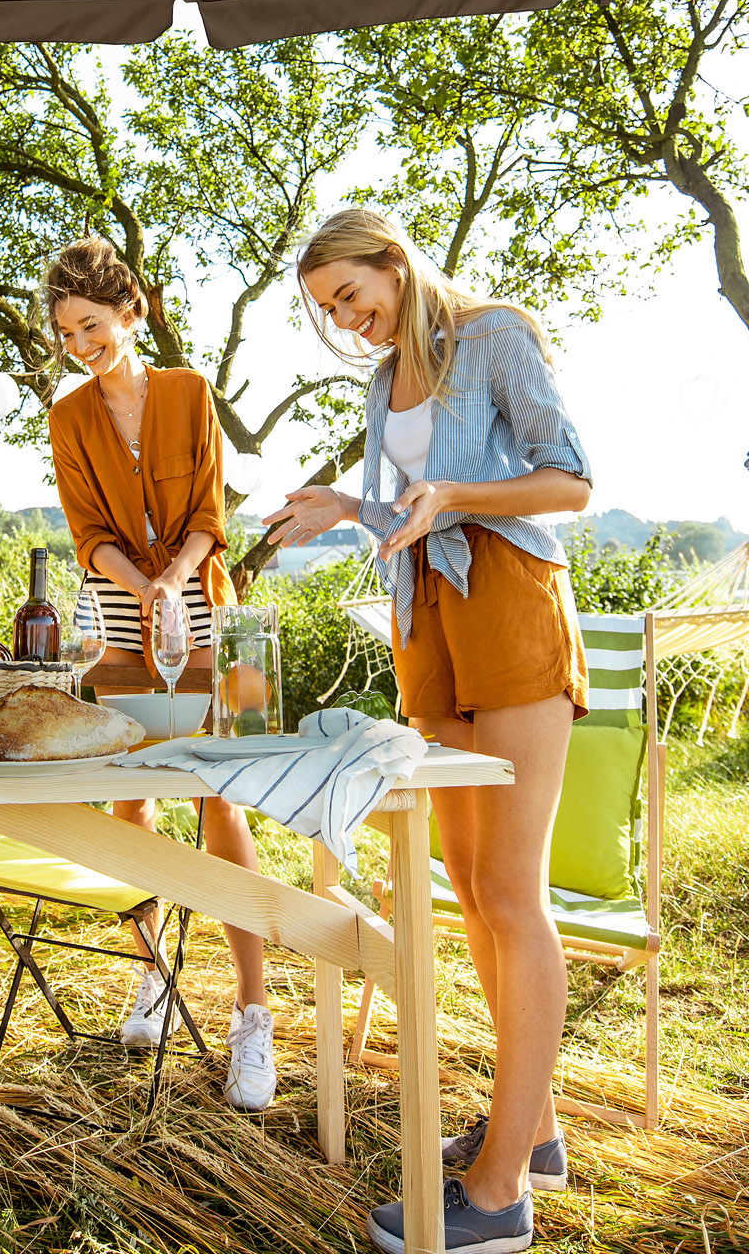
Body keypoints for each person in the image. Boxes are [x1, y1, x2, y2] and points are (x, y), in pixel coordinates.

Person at [267, 207, 591, 1254]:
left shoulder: (493, 332)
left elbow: (569, 480)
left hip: (505, 597)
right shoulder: (380, 381)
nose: (349, 324)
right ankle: (527, 1128)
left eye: (352, 298)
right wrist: (342, 507)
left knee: (509, 890)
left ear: (394, 265)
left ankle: (497, 1200)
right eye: (328, 313)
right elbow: (412, 510)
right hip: (428, 621)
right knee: (466, 883)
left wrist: (449, 491)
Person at [44, 236, 275, 1112]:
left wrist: (175, 584)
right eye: (67, 331)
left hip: (202, 606)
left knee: (220, 796)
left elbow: (211, 513)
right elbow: (86, 530)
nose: (81, 343)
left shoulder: (189, 392)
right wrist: (140, 590)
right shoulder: (68, 417)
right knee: (130, 798)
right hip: (116, 612)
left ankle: (253, 1012)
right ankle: (155, 978)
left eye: (93, 324)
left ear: (132, 311)